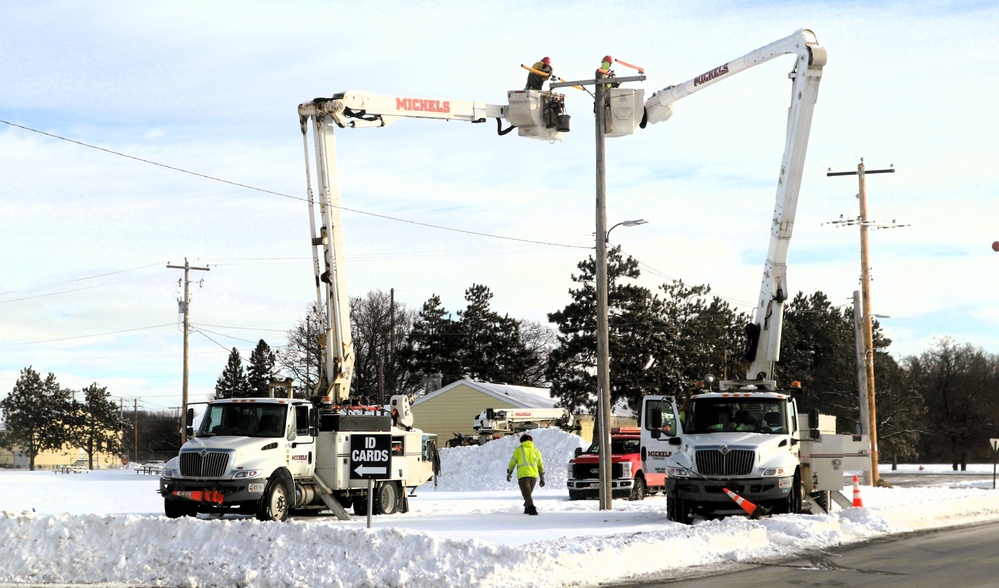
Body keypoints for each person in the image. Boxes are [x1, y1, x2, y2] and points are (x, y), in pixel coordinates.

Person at [506, 433, 545, 515]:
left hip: (523, 475)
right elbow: (540, 464)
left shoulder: (519, 449)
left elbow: (513, 462)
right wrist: (542, 477)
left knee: (527, 494)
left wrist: (509, 472)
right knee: (527, 494)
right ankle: (527, 508)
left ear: (521, 441)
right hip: (534, 475)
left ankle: (531, 509)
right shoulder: (536, 450)